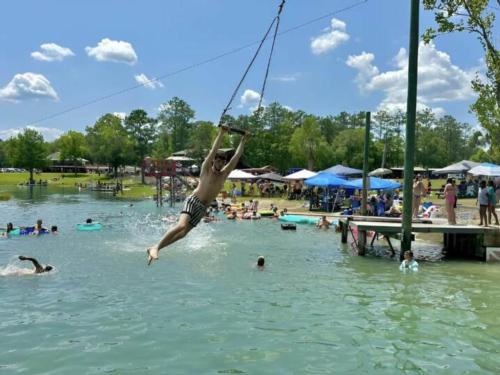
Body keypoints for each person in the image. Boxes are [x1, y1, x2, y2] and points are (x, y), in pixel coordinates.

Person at [147, 126, 249, 265]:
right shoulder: (206, 169)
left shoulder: (224, 175)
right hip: (194, 201)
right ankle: (156, 247)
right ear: (214, 161)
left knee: (183, 234)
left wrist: (243, 140)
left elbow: (236, 157)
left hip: (202, 209)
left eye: (222, 162)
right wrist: (221, 133)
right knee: (181, 225)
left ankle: (156, 248)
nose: (220, 163)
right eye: (217, 161)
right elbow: (212, 151)